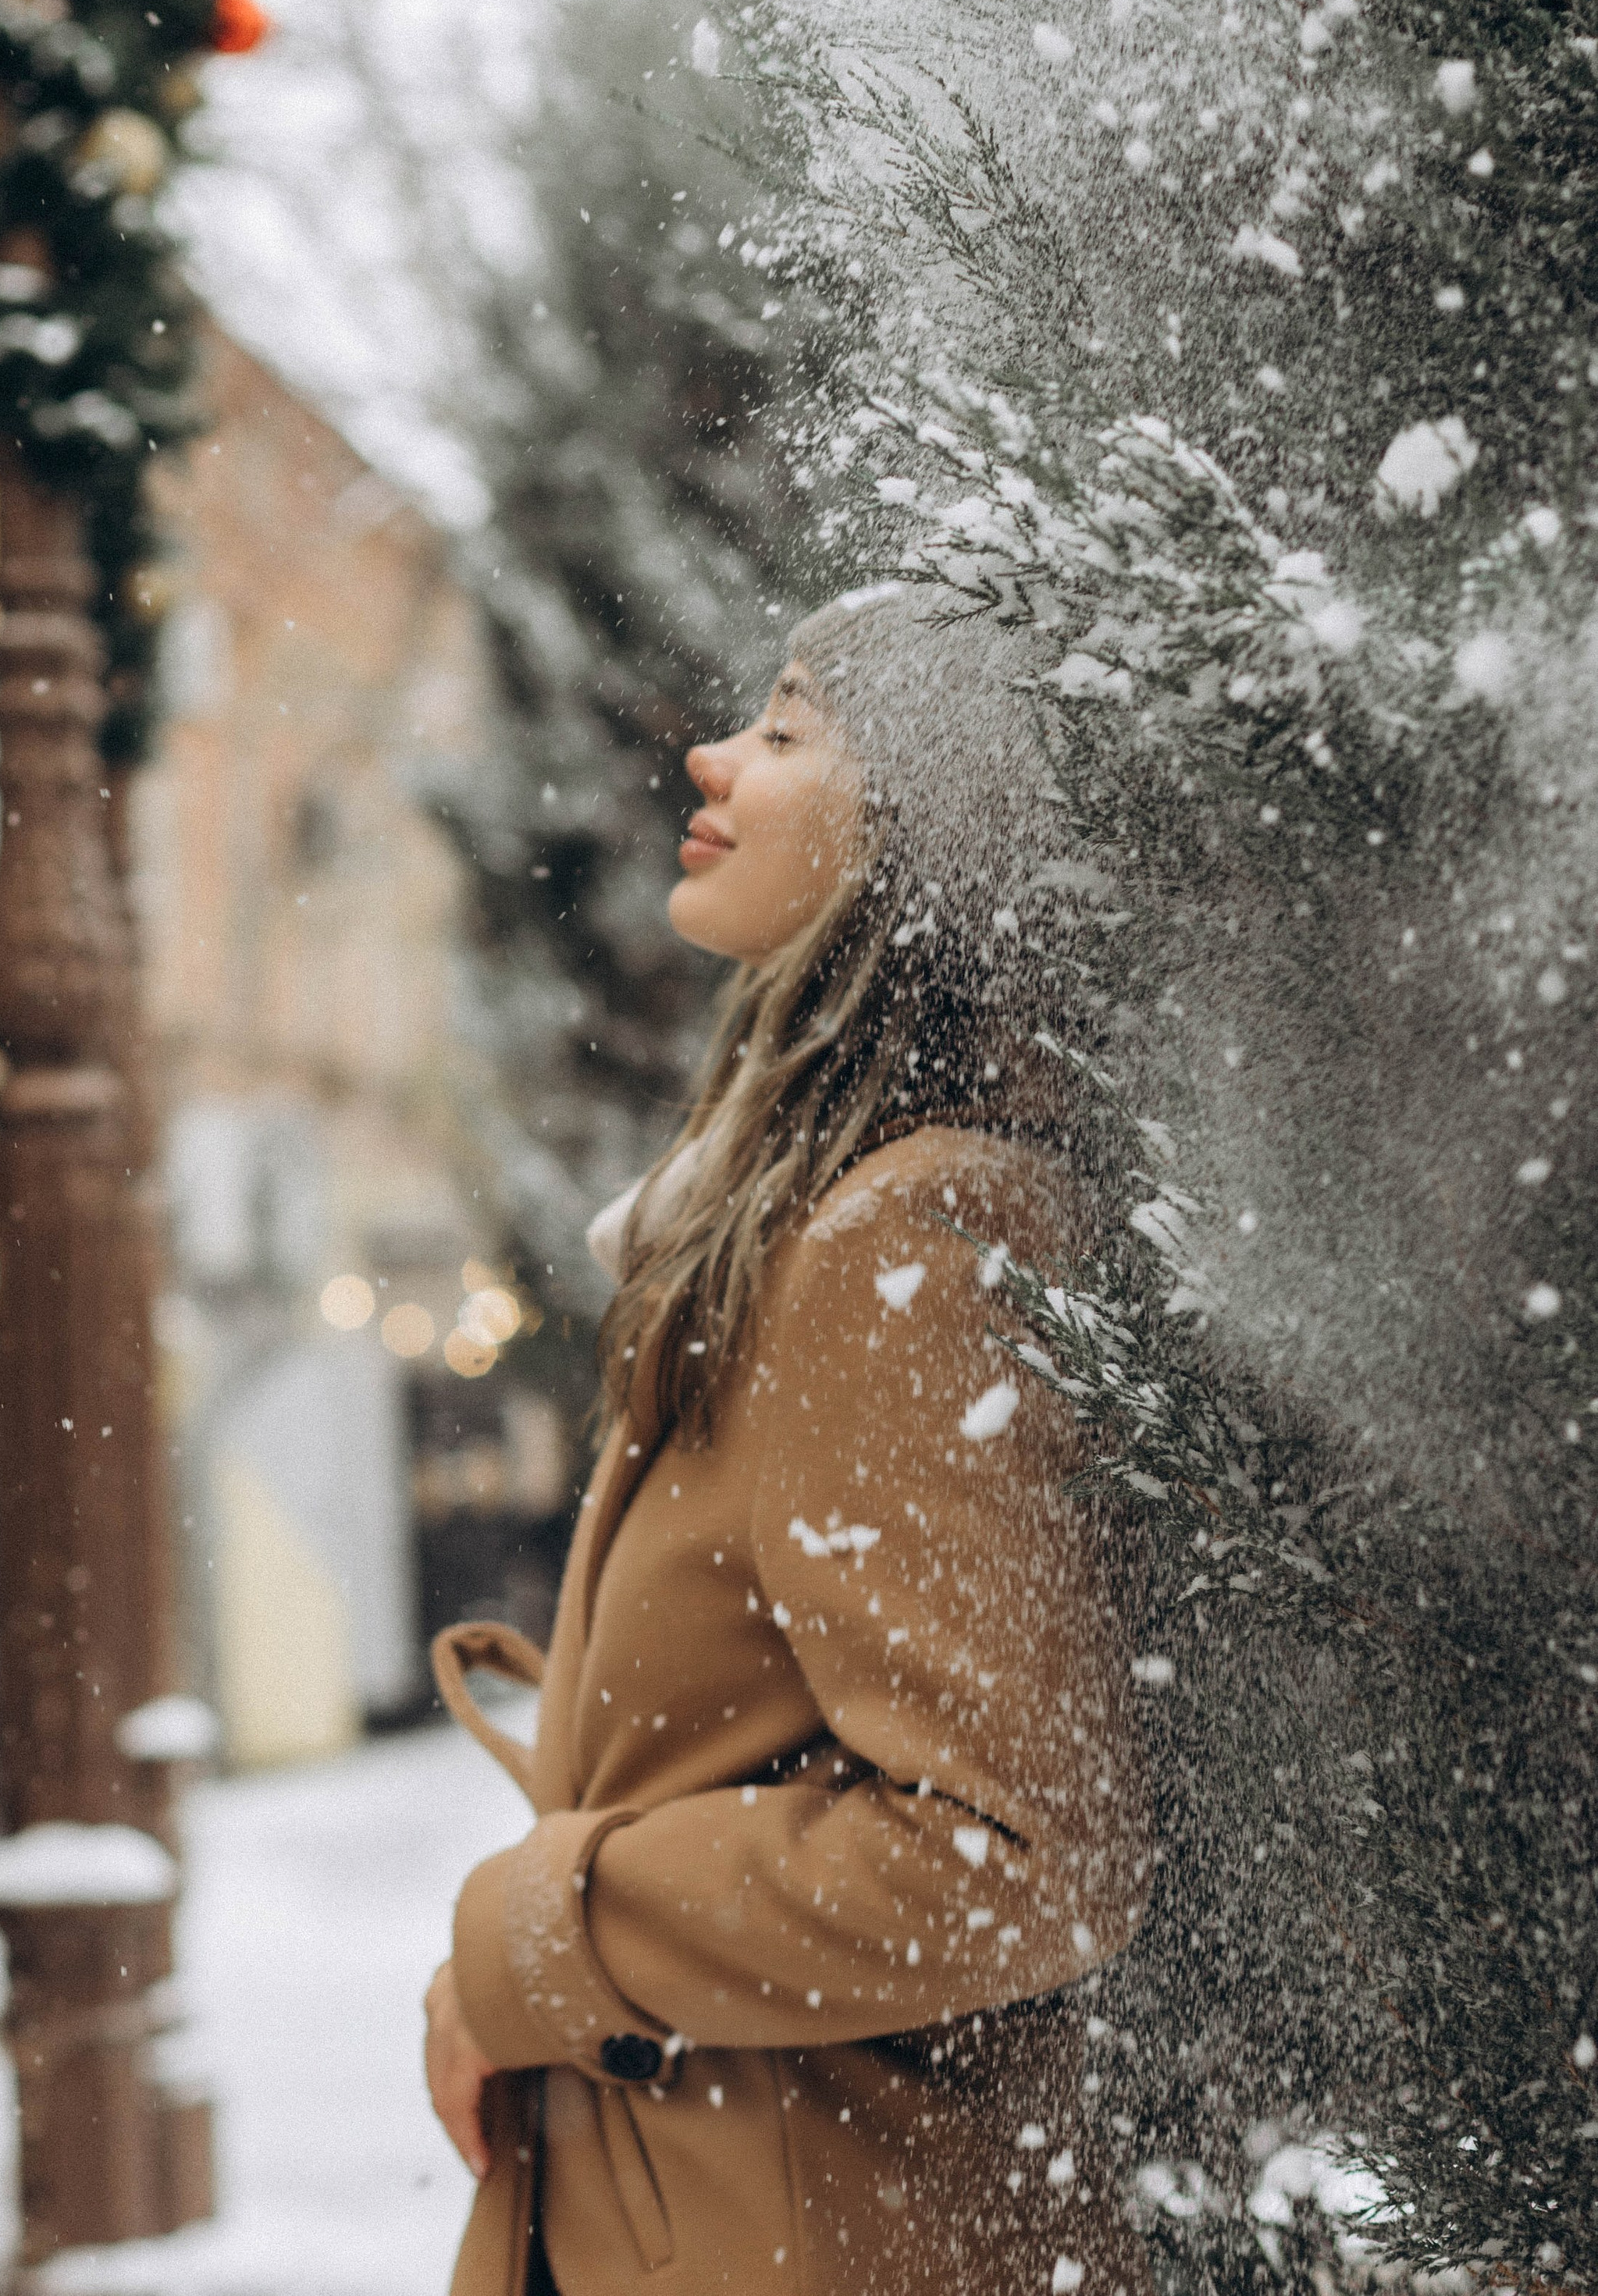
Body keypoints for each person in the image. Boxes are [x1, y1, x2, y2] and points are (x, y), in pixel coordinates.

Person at [423, 588, 1151, 2296]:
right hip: (732, 2196)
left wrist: (533, 1942)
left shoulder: (904, 1241)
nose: (710, 756)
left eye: (786, 728)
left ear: (928, 827)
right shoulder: (812, 1220)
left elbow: (1014, 1853)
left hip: (798, 2225)